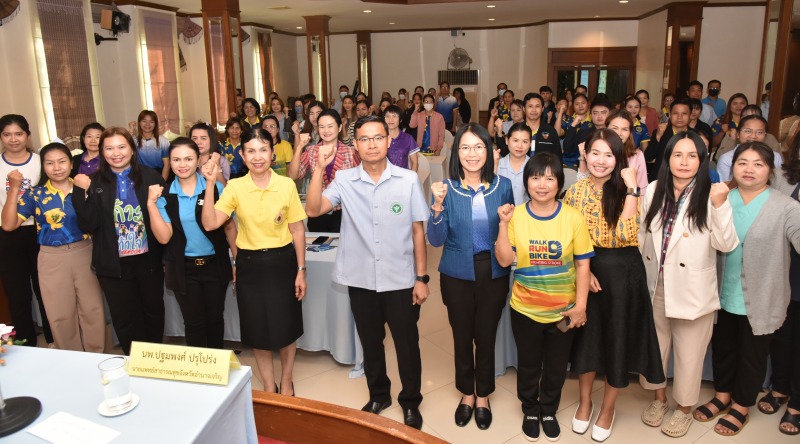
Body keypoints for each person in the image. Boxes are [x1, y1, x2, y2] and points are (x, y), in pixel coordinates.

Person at [305, 115, 430, 430]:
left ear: (389, 141)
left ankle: (411, 401)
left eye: (377, 137)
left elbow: (418, 231)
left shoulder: (407, 180)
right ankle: (379, 394)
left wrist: (421, 278)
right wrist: (319, 167)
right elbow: (314, 209)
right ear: (356, 145)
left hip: (401, 279)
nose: (371, 144)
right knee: (371, 341)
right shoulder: (345, 180)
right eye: (364, 139)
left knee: (406, 343)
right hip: (360, 278)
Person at [564, 129, 665, 443]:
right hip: (587, 272)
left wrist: (633, 190)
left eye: (609, 155)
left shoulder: (629, 191)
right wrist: (584, 270)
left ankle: (608, 409)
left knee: (616, 342)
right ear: (586, 154)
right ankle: (585, 403)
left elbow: (624, 234)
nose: (601, 160)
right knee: (587, 341)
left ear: (619, 159)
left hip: (623, 274)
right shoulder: (574, 192)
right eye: (595, 153)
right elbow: (566, 236)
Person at [693, 142, 800, 437]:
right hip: (721, 293)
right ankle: (723, 395)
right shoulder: (720, 198)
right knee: (724, 348)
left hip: (762, 297)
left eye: (758, 164)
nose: (749, 169)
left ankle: (741, 406)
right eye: (742, 162)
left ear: (771, 170)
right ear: (732, 166)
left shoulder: (786, 207)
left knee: (752, 355)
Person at [638, 131, 738, 438]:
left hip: (693, 290)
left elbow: (727, 243)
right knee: (657, 349)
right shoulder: (654, 189)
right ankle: (659, 399)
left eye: (692, 155)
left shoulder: (712, 193)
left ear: (702, 159)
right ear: (667, 158)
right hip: (656, 285)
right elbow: (643, 238)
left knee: (689, 355)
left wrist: (720, 206)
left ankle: (683, 409)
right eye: (677, 155)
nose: (684, 162)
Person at [495, 152, 594, 441]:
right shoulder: (517, 216)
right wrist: (502, 224)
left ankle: (548, 409)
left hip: (564, 313)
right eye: (536, 177)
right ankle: (529, 408)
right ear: (526, 182)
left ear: (560, 183)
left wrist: (581, 307)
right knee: (528, 364)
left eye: (550, 178)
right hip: (525, 309)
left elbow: (583, 265)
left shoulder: (573, 217)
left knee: (555, 366)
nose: (542, 184)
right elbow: (503, 261)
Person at [201, 126, 305, 395]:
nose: (257, 156)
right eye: (251, 151)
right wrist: (211, 182)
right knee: (258, 330)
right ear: (243, 157)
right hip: (249, 266)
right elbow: (211, 223)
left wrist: (301, 269)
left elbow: (297, 229)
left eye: (263, 150)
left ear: (272, 153)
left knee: (287, 328)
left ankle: (288, 380)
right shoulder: (235, 186)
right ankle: (269, 384)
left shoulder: (286, 185)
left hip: (283, 263)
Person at [427, 123, 514, 431]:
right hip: (456, 272)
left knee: (486, 335)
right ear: (457, 152)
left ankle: (484, 396)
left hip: (493, 271)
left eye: (478, 147)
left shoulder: (502, 186)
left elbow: (510, 229)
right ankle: (467, 393)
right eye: (465, 147)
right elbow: (436, 239)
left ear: (488, 151)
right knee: (462, 336)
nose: (472, 153)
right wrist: (436, 206)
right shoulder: (446, 188)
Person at [72, 127, 166, 356]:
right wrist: (78, 192)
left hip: (148, 260)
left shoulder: (151, 176)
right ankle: (134, 361)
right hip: (113, 264)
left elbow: (163, 218)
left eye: (122, 147)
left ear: (132, 150)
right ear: (102, 152)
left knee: (153, 312)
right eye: (109, 148)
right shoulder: (94, 182)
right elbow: (88, 224)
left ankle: (154, 361)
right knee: (124, 318)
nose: (116, 153)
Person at [1, 142, 103, 352]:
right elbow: (9, 225)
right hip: (51, 258)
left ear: (71, 163)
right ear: (43, 167)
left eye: (62, 161)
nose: (57, 168)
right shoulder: (35, 194)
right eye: (50, 163)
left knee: (93, 310)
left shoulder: (84, 185)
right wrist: (14, 189)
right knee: (60, 314)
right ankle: (70, 360)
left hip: (85, 252)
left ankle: (97, 357)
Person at [146, 138, 236, 350]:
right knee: (193, 323)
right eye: (176, 159)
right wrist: (151, 203)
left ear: (198, 161)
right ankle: (198, 374)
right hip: (182, 268)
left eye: (188, 158)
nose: (182, 164)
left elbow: (229, 227)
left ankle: (216, 370)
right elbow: (164, 238)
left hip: (215, 264)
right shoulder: (164, 195)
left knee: (215, 319)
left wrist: (237, 259)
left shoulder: (216, 189)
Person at [0, 114, 53, 347]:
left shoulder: (41, 161)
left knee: (46, 291)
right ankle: (25, 343)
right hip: (8, 234)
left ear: (27, 135)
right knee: (17, 293)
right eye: (7, 134)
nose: (13, 139)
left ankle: (53, 339)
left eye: (19, 134)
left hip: (40, 232)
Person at [764, 132, 800, 435]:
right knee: (783, 333)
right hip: (785, 268)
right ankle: (779, 387)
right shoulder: (782, 177)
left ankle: (797, 402)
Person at [289, 109, 359, 232]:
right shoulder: (311, 151)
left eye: (330, 126)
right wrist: (299, 146)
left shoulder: (351, 151)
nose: (326, 131)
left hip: (344, 212)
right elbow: (293, 175)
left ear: (339, 127)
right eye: (322, 127)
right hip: (317, 212)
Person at [578, 110, 649, 190]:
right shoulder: (596, 150)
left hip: (629, 199)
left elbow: (642, 188)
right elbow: (582, 184)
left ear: (630, 133)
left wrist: (633, 194)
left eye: (625, 129)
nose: (619, 133)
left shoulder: (637, 155)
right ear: (606, 128)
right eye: (614, 128)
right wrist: (583, 157)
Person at [715, 115, 783, 182]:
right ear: (738, 134)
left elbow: (778, 183)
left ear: (765, 135)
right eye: (748, 131)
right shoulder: (726, 158)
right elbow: (723, 187)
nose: (753, 136)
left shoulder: (775, 157)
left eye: (759, 132)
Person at [647, 98, 691, 181]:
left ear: (690, 116)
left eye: (684, 113)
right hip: (660, 180)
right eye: (675, 113)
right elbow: (648, 157)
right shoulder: (660, 132)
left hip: (686, 180)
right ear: (670, 115)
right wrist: (658, 136)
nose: (679, 117)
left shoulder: (695, 135)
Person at [564, 96, 612, 167]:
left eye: (603, 113)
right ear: (590, 116)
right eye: (595, 113)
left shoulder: (614, 133)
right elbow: (568, 148)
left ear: (610, 114)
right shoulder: (584, 133)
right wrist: (573, 126)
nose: (599, 116)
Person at [496, 122, 532, 205]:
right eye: (515, 140)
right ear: (507, 140)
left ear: (530, 144)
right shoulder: (497, 165)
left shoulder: (535, 167)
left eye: (525, 142)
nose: (519, 146)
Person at [129, 110, 170, 180]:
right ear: (139, 123)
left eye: (151, 122)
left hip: (159, 173)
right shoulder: (134, 140)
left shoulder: (163, 141)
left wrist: (162, 182)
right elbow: (124, 144)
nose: (147, 124)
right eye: (144, 121)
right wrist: (131, 129)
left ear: (155, 124)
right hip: (140, 175)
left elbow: (167, 164)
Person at [522, 93, 560, 161]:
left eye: (537, 106)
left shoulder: (551, 131)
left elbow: (557, 158)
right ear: (524, 109)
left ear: (542, 109)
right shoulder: (517, 130)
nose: (534, 110)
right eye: (530, 106)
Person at [384, 105, 419, 171]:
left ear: (400, 120)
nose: (390, 119)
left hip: (403, 177)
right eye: (388, 116)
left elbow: (415, 162)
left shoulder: (408, 138)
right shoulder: (379, 138)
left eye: (394, 116)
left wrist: (411, 180)